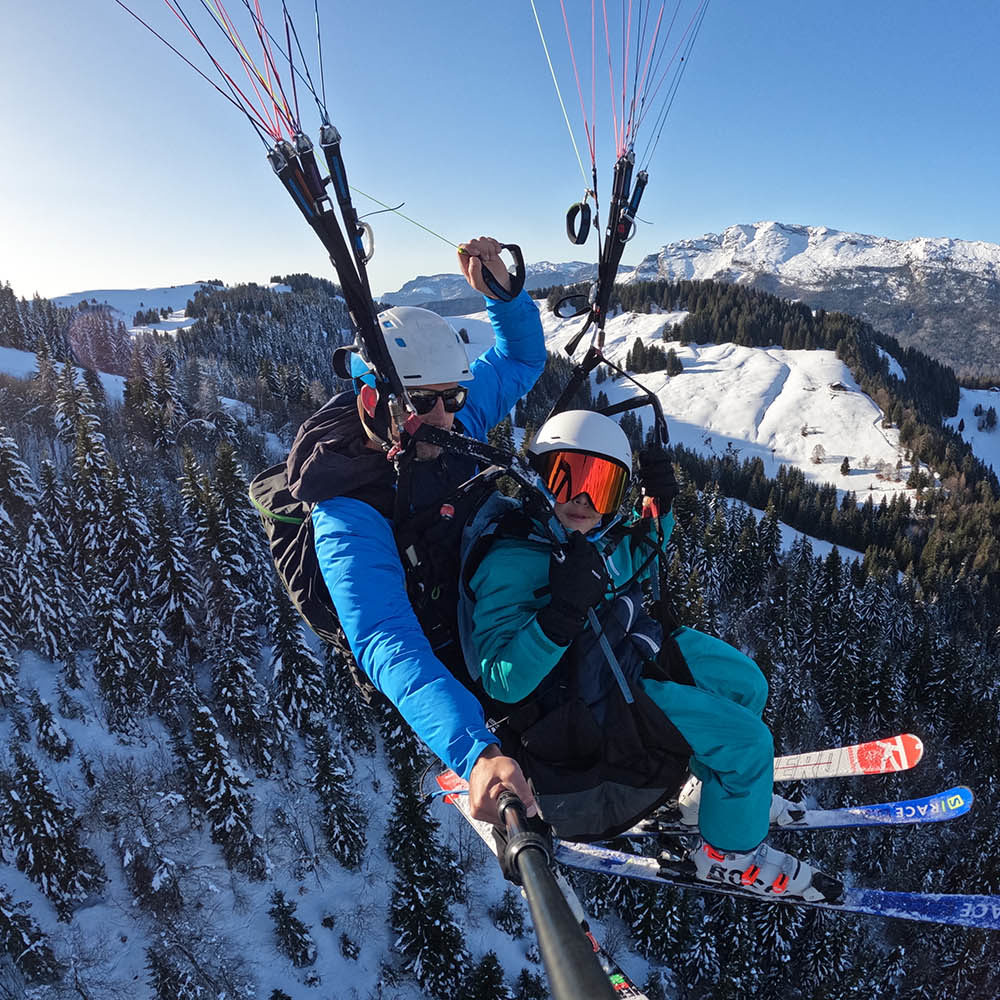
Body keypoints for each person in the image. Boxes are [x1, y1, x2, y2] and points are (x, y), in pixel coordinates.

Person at [459, 409, 842, 901]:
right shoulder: (514, 559)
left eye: (601, 487)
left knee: (746, 683)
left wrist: (659, 507)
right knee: (749, 744)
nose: (581, 500)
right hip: (594, 702)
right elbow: (499, 680)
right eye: (565, 478)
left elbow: (633, 556)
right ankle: (727, 856)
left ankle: (711, 795)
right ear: (536, 479)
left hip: (620, 657)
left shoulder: (584, 539)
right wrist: (559, 616)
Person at [291, 237, 545, 827]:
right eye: (429, 402)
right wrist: (475, 752)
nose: (449, 415)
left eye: (455, 396)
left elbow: (520, 361)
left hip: (486, 589)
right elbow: (383, 636)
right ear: (375, 399)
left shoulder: (446, 419)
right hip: (448, 650)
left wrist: (504, 299)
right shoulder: (346, 507)